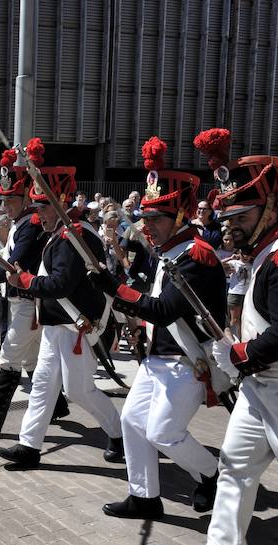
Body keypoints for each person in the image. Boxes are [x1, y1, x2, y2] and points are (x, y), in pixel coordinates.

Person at [165, 133, 278, 545]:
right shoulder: (263, 256)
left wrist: (240, 353)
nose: (230, 226)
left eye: (242, 216)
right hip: (261, 387)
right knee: (235, 466)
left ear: (269, 211)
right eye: (229, 217)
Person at [90, 136, 226, 520]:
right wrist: (121, 295)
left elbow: (166, 310)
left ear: (179, 217)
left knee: (164, 432)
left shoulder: (196, 256)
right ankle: (144, 496)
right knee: (133, 422)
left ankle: (213, 474)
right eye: (145, 219)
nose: (147, 227)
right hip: (158, 357)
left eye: (155, 219)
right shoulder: (167, 255)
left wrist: (115, 289)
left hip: (188, 361)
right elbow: (149, 303)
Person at [0, 151, 124, 466]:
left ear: (62, 203)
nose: (39, 214)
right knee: (42, 385)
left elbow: (61, 284)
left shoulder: (73, 236)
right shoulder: (62, 234)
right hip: (57, 323)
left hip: (75, 326)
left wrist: (24, 282)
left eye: (44, 206)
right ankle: (29, 445)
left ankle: (120, 434)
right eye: (36, 206)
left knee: (79, 390)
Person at [0, 144, 65, 433]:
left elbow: (15, 264)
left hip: (28, 300)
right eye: (5, 199)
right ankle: (58, 406)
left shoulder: (31, 225)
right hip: (20, 300)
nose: (5, 205)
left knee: (9, 356)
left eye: (12, 200)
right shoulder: (21, 223)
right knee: (32, 358)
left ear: (26, 198)